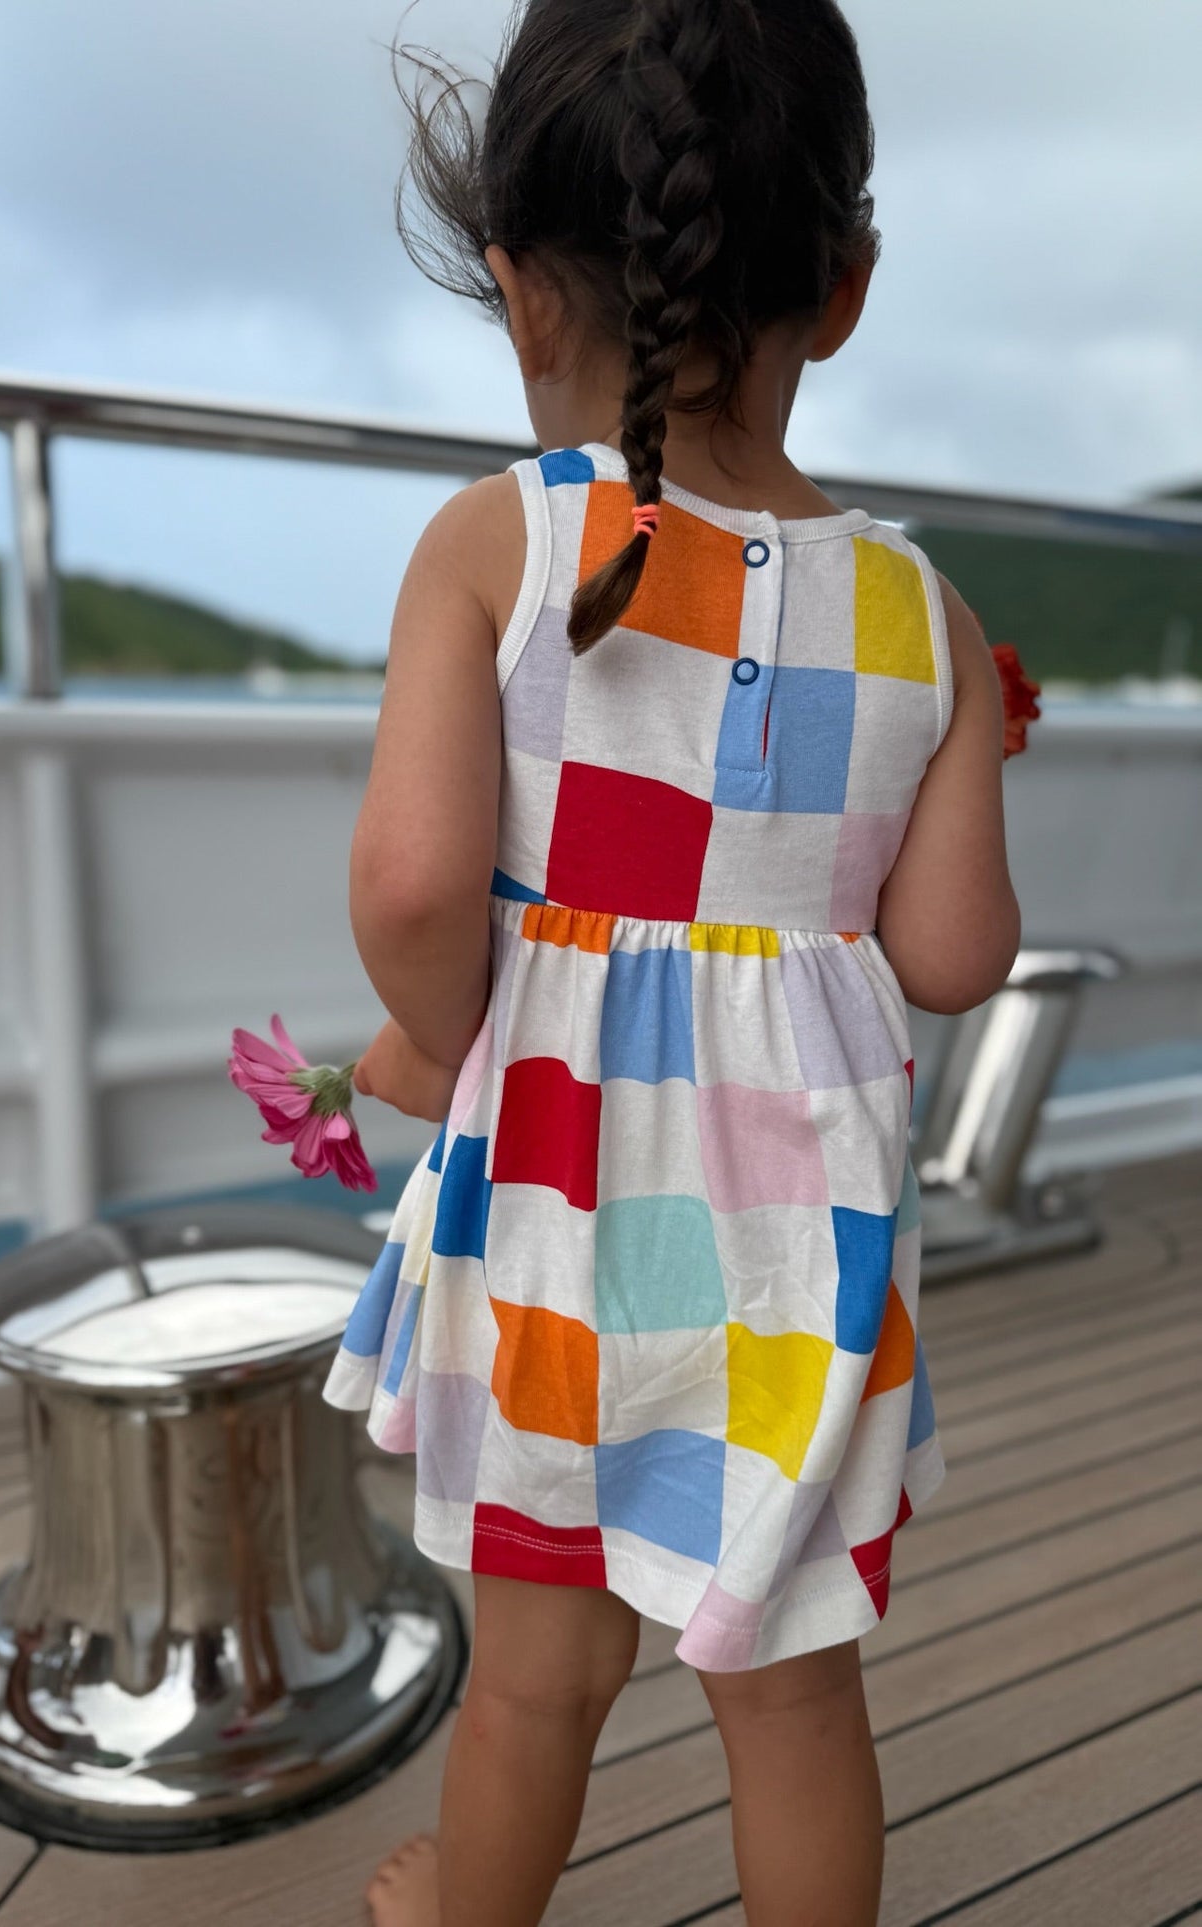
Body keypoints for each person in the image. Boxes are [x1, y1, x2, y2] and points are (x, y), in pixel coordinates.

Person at [320, 1, 1020, 1921]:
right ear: (843, 288)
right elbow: (955, 953)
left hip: (560, 1215)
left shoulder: (498, 543)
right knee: (791, 1704)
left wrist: (436, 1038)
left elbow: (411, 885)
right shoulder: (923, 609)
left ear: (518, 289)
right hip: (795, 1260)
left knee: (534, 1684)